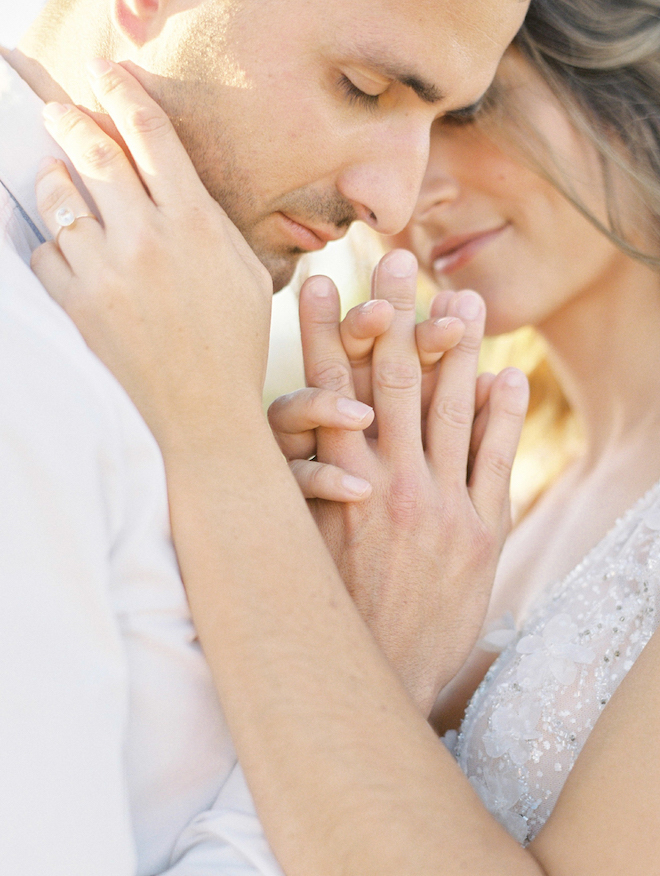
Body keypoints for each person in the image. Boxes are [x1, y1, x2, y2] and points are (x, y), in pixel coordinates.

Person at [30, 0, 660, 874]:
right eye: (367, 92)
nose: (397, 203)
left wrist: (219, 447)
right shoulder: (494, 497)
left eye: (466, 116)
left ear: (626, 81)